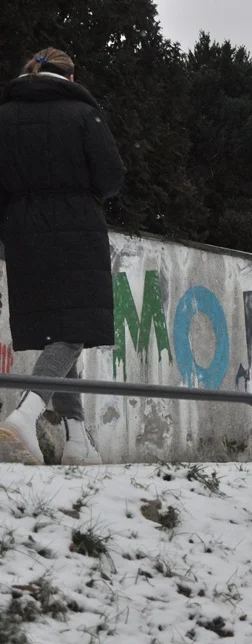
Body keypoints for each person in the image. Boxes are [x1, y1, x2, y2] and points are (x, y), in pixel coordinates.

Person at [0, 48, 125, 465]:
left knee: (60, 330)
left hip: (21, 232)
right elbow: (111, 176)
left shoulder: (5, 116)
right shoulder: (81, 114)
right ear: (71, 76)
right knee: (75, 328)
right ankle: (26, 413)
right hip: (76, 229)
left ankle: (77, 440)